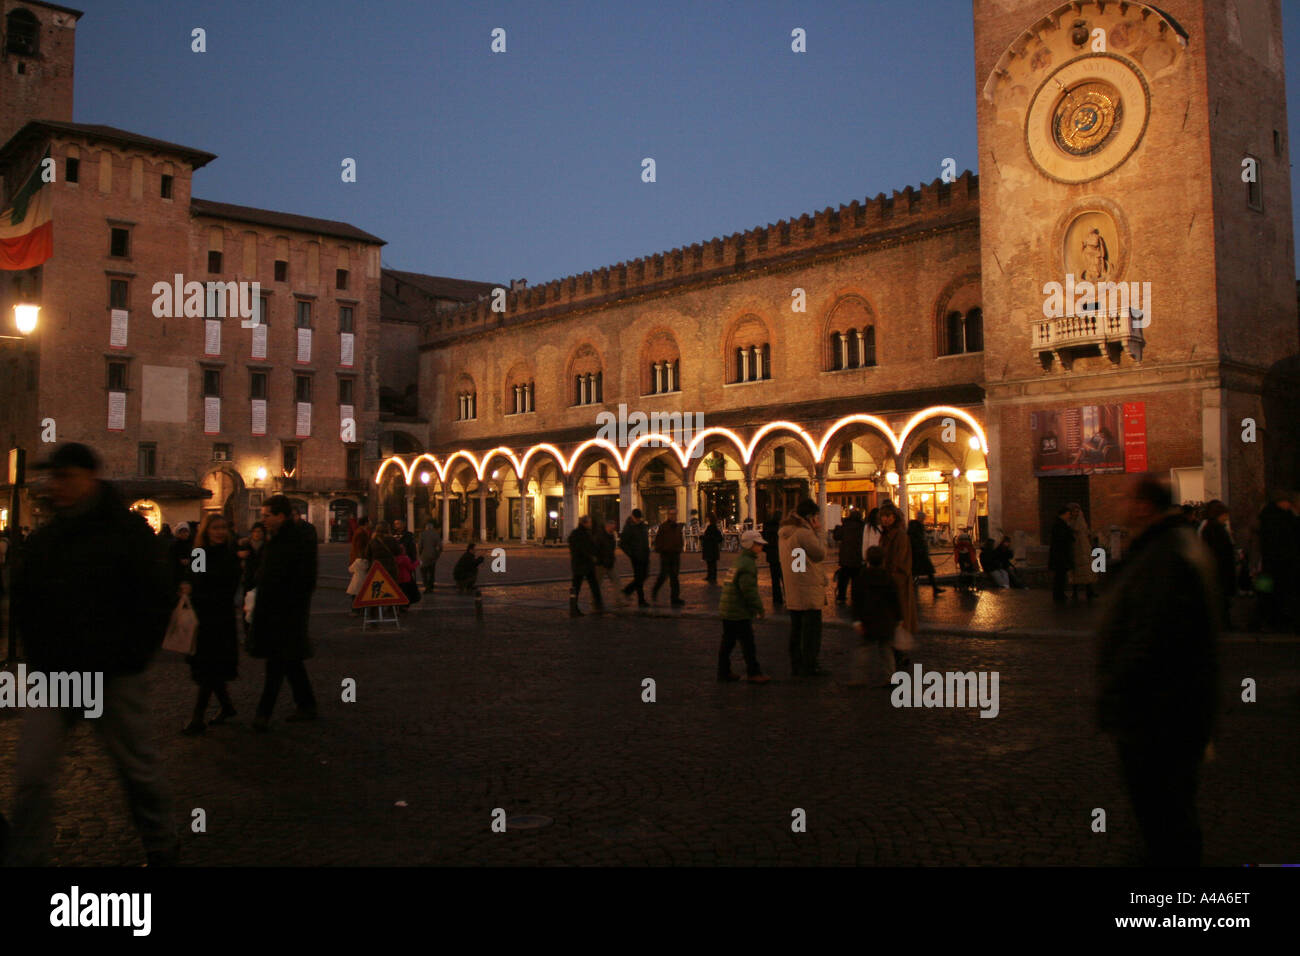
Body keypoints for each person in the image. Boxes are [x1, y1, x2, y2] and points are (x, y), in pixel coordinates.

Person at [6, 443, 178, 866]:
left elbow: (157, 596)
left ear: (90, 478)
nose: (56, 486)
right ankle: (26, 857)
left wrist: (132, 655)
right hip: (55, 674)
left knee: (137, 771)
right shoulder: (48, 536)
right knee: (31, 775)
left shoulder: (128, 532)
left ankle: (162, 846)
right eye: (53, 477)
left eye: (65, 476)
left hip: (114, 674)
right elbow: (26, 597)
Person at [1097, 476, 1219, 865]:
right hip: (1167, 711)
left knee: (1165, 819)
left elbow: (1151, 636)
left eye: (1125, 496)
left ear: (1144, 506)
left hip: (1160, 714)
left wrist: (1115, 691)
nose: (1117, 501)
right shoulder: (1166, 546)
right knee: (1163, 817)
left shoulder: (1164, 555)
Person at [246, 494, 318, 731]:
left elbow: (304, 578)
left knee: (276, 663)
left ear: (281, 516)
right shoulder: (275, 539)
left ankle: (262, 714)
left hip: (285, 612)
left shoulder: (296, 540)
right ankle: (306, 704)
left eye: (267, 515)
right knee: (291, 662)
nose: (263, 519)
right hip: (276, 611)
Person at [180, 514, 240, 734]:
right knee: (210, 668)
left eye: (223, 527)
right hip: (202, 619)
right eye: (215, 528)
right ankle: (227, 707)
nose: (220, 532)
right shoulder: (200, 553)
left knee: (210, 668)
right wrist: (188, 585)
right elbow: (192, 578)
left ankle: (198, 717)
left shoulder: (229, 554)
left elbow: (228, 586)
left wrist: (199, 588)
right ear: (206, 530)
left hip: (220, 618)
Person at [779, 498, 828, 677]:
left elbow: (797, 561)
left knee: (797, 629)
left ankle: (797, 663)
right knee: (811, 632)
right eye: (816, 516)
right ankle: (810, 664)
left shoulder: (785, 532)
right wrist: (819, 533)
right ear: (810, 517)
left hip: (794, 587)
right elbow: (820, 554)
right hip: (807, 588)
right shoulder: (804, 533)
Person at [717, 529, 771, 683]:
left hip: (729, 608)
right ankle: (753, 672)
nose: (761, 547)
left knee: (728, 642)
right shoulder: (748, 564)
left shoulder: (740, 560)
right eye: (758, 544)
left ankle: (724, 671)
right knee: (748, 643)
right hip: (738, 610)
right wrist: (758, 608)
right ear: (751, 545)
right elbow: (749, 590)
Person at [850, 545, 902, 687]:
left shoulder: (861, 578)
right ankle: (890, 677)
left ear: (867, 560)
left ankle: (858, 678)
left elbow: (856, 601)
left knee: (864, 649)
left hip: (868, 620)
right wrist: (899, 618)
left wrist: (856, 620)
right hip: (886, 620)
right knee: (886, 651)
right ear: (883, 560)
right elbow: (895, 600)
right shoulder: (888, 578)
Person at [877, 501, 917, 668]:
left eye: (888, 516)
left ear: (894, 517)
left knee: (898, 619)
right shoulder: (885, 535)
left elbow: (901, 561)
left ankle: (900, 655)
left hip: (897, 584)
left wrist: (891, 576)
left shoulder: (900, 536)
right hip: (887, 582)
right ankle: (897, 654)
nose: (885, 519)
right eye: (883, 517)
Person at [1256, 491, 1299, 631]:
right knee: (1277, 593)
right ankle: (1275, 621)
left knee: (1266, 593)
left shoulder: (1266, 516)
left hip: (1267, 564)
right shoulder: (1282, 518)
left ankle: (1266, 620)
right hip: (1279, 564)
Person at [567, 514, 603, 616]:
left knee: (577, 588)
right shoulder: (583, 534)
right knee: (593, 586)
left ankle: (574, 608)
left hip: (578, 565)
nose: (591, 524)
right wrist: (592, 556)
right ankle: (599, 606)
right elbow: (584, 549)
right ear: (585, 523)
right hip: (585, 564)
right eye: (589, 522)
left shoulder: (576, 533)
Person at [652, 507, 686, 606]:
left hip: (675, 554)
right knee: (663, 576)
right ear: (668, 515)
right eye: (671, 514)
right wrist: (662, 549)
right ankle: (655, 590)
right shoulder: (663, 527)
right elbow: (658, 540)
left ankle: (675, 598)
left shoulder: (678, 527)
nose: (673, 516)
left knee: (674, 577)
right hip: (666, 554)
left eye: (675, 514)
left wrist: (679, 548)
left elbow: (679, 538)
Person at [908, 511, 945, 595]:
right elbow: (916, 539)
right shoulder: (915, 526)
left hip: (919, 552)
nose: (923, 519)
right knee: (920, 571)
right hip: (918, 553)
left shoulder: (915, 526)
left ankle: (934, 588)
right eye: (923, 518)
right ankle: (933, 588)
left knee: (926, 571)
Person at [619, 509, 651, 607]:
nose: (638, 520)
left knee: (644, 575)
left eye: (639, 518)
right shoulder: (629, 527)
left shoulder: (642, 525)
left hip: (645, 555)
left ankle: (627, 591)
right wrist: (631, 554)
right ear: (632, 517)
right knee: (639, 578)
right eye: (636, 518)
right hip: (636, 556)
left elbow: (645, 539)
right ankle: (641, 600)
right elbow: (622, 543)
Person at [1067, 502, 1097, 602]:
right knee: (1076, 571)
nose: (1076, 513)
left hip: (1085, 548)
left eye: (1077, 511)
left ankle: (1090, 590)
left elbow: (1087, 532)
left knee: (1087, 570)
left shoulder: (1081, 521)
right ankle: (1075, 592)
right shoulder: (1070, 522)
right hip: (1076, 548)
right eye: (1074, 511)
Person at [835, 508, 865, 604]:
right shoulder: (862, 527)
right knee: (856, 580)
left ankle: (841, 597)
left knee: (843, 580)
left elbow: (837, 536)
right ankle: (855, 597)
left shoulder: (845, 525)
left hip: (845, 558)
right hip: (857, 558)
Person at [593, 518, 625, 607]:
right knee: (597, 584)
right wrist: (599, 560)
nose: (614, 528)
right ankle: (595, 602)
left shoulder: (611, 535)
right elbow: (595, 549)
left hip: (610, 563)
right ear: (607, 526)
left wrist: (612, 558)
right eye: (612, 527)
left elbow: (611, 549)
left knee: (617, 581)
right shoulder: (599, 536)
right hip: (601, 564)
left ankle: (618, 601)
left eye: (614, 526)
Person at [1048, 505, 1074, 604]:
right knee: (1060, 576)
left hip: (1059, 554)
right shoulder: (1060, 525)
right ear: (1063, 514)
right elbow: (1062, 538)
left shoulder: (1059, 524)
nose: (1069, 516)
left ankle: (1059, 593)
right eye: (1068, 514)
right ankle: (1058, 594)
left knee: (1060, 576)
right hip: (1060, 554)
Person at [762, 511, 784, 605]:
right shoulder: (781, 528)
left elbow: (764, 542)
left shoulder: (767, 527)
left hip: (771, 557)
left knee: (774, 580)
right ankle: (789, 597)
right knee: (785, 579)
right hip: (781, 556)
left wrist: (768, 550)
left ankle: (777, 599)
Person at [419, 520, 442, 591]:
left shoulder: (422, 534)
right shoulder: (436, 534)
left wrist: (420, 554)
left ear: (426, 527)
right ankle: (431, 585)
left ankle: (426, 586)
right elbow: (439, 546)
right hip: (433, 556)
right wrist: (437, 554)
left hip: (424, 556)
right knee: (431, 571)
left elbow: (420, 546)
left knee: (424, 571)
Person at [701, 513, 723, 585]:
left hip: (711, 548)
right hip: (712, 548)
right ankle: (711, 576)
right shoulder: (712, 527)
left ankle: (712, 576)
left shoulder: (711, 527)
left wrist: (703, 538)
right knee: (711, 563)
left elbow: (711, 537)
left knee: (711, 563)